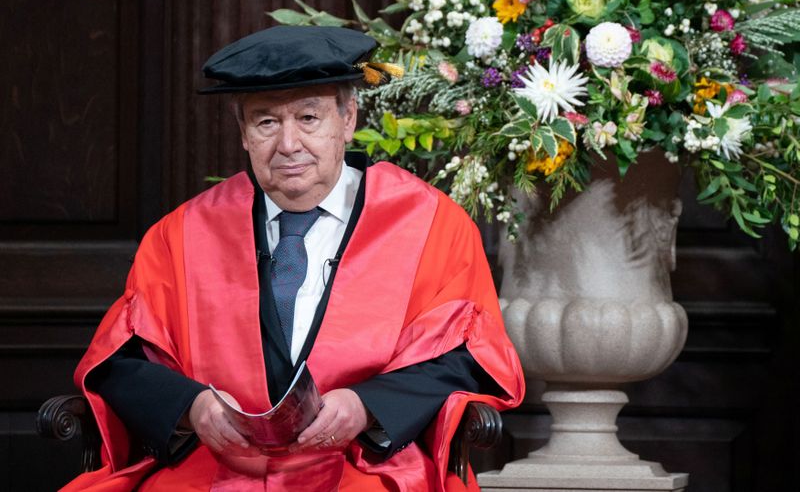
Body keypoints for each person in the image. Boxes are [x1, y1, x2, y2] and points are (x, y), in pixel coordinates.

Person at [62, 26, 524, 492]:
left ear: (348, 118)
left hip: (359, 467)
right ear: (243, 133)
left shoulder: (431, 225)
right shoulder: (182, 234)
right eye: (266, 122)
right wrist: (191, 407)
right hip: (216, 468)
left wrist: (369, 406)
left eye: (308, 117)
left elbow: (467, 356)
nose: (287, 144)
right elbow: (122, 361)